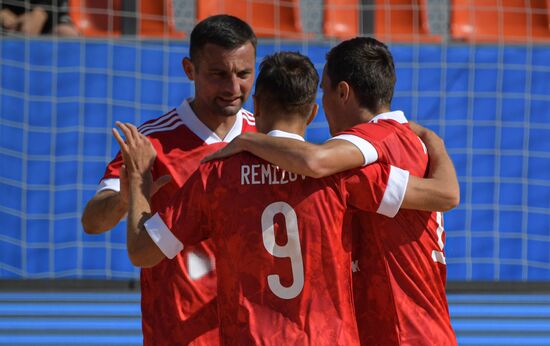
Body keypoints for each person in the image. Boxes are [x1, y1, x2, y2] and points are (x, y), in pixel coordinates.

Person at [115, 52, 458, 344]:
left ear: (257, 104)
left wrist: (138, 183)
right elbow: (441, 195)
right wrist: (434, 147)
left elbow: (143, 252)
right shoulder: (339, 174)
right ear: (312, 113)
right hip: (327, 336)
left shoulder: (216, 174)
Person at [81, 15, 257, 345]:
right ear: (190, 70)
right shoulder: (150, 143)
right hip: (178, 331)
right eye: (219, 74)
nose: (233, 88)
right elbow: (92, 222)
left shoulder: (267, 136)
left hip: (254, 330)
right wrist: (128, 195)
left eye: (244, 74)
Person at [0, 0, 78, 36]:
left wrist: (40, 12)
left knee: (67, 33)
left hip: (47, 14)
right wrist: (2, 11)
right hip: (6, 19)